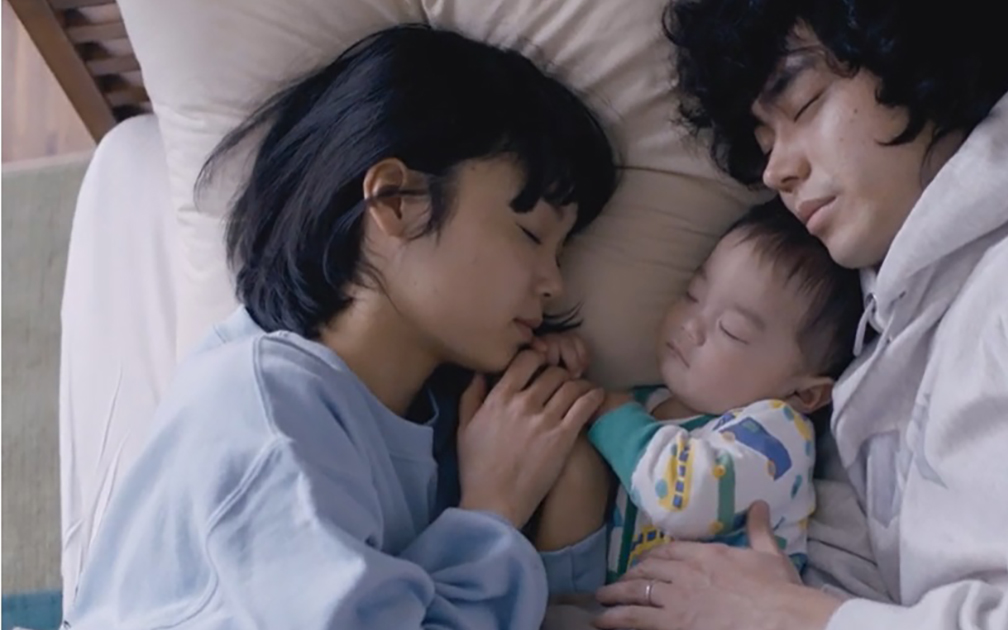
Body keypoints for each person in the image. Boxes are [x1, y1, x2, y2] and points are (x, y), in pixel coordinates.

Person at [591, 1, 1008, 629]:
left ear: (915, 46)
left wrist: (789, 616)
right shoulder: (878, 316)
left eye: (803, 104)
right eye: (764, 141)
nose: (776, 170)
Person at [63, 25, 619, 630]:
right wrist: (493, 510)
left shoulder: (435, 428)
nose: (553, 284)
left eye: (561, 253)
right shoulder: (267, 413)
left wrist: (550, 452)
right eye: (532, 235)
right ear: (396, 202)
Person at [533, 199, 862, 584]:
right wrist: (554, 372)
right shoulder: (644, 405)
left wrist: (609, 414)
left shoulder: (778, 434)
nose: (691, 325)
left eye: (732, 330)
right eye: (692, 295)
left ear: (804, 395)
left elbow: (686, 497)